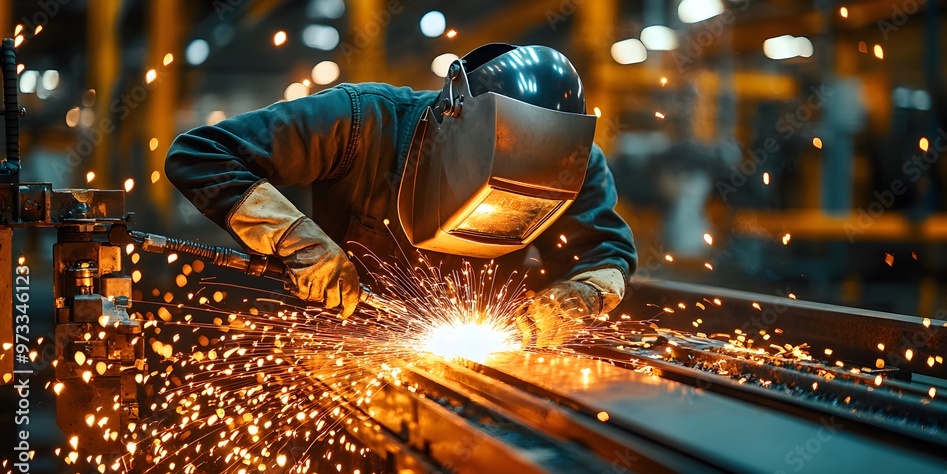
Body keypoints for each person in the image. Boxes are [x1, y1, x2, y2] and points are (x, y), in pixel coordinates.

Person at [165, 43, 637, 345]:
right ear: (451, 119)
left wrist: (583, 293)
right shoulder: (359, 122)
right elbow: (200, 154)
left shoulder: (575, 165)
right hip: (338, 355)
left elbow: (605, 251)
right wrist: (296, 238)